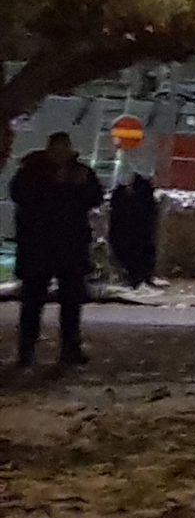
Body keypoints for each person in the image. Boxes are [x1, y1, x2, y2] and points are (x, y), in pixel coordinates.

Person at [11, 131, 104, 370]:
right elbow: (20, 195)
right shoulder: (32, 170)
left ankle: (70, 348)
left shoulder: (79, 171)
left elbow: (95, 197)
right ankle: (26, 350)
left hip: (70, 245)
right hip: (38, 244)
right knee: (33, 299)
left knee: (72, 300)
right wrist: (54, 185)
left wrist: (81, 186)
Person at [107, 166, 160, 290]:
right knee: (137, 252)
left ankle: (137, 276)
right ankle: (138, 276)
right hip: (134, 230)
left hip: (132, 230)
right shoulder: (139, 195)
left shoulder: (133, 194)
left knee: (134, 252)